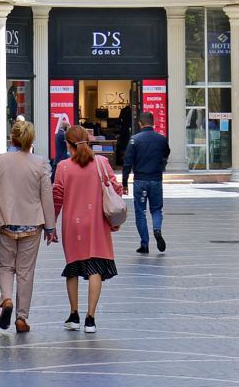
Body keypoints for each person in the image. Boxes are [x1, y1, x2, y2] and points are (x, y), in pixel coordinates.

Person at [0, 121, 58, 333]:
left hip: (4, 223)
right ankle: (22, 318)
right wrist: (50, 227)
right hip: (32, 225)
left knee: (5, 266)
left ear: (11, 138)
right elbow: (46, 197)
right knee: (25, 272)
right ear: (31, 140)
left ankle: (6, 299)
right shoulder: (40, 164)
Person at [53, 124, 122, 334]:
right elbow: (115, 188)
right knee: (96, 269)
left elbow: (57, 196)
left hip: (72, 224)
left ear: (68, 144)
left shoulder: (63, 166)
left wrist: (50, 224)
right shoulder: (101, 162)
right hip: (97, 222)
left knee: (73, 268)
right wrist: (115, 218)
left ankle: (73, 315)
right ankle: (90, 319)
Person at [122, 111, 170, 254]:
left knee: (140, 212)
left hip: (140, 180)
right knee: (156, 209)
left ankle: (145, 244)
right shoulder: (161, 139)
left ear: (140, 123)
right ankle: (157, 229)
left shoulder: (134, 140)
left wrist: (124, 183)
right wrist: (161, 166)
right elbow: (166, 153)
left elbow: (127, 163)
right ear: (153, 122)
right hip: (156, 179)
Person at [52, 115, 70, 179]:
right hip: (62, 157)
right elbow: (68, 144)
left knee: (54, 175)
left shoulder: (58, 134)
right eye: (68, 127)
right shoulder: (63, 135)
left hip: (58, 156)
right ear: (65, 127)